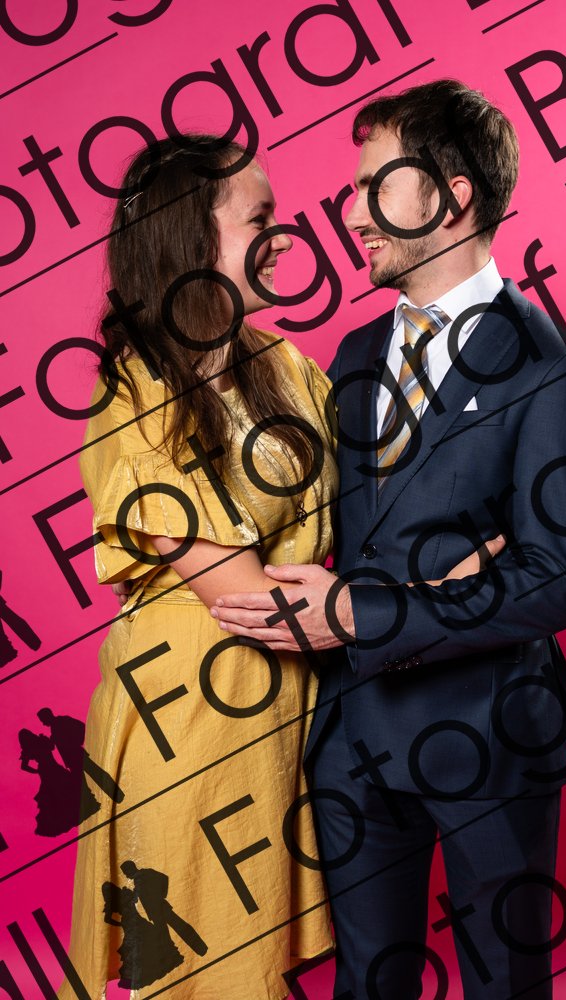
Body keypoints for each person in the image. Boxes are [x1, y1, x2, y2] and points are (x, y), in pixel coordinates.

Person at [212, 80, 566, 999]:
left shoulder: (552, 370)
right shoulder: (352, 354)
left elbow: (554, 582)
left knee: (502, 984)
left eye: (374, 186)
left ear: (452, 195)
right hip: (354, 735)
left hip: (491, 734)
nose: (351, 214)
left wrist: (362, 609)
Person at [61, 134, 341, 1000]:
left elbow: (388, 508)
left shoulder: (285, 365)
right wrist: (440, 594)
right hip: (190, 718)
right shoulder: (136, 391)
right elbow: (251, 601)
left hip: (287, 719)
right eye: (261, 219)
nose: (284, 239)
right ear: (191, 237)